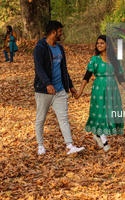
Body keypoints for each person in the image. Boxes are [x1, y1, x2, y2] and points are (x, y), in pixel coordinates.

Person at [33, 20, 85, 155]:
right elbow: (39, 68)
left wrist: (70, 85)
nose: (62, 34)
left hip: (59, 90)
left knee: (64, 118)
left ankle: (69, 146)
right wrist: (47, 84)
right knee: (41, 118)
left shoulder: (60, 48)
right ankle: (40, 145)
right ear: (53, 32)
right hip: (44, 90)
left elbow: (63, 69)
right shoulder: (40, 47)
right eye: (60, 31)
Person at [75, 35, 125, 152]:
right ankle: (103, 139)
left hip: (112, 90)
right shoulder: (95, 59)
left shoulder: (115, 60)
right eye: (97, 43)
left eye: (102, 43)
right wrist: (80, 91)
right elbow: (87, 76)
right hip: (99, 89)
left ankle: (97, 134)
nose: (98, 45)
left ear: (108, 45)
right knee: (101, 113)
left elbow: (120, 76)